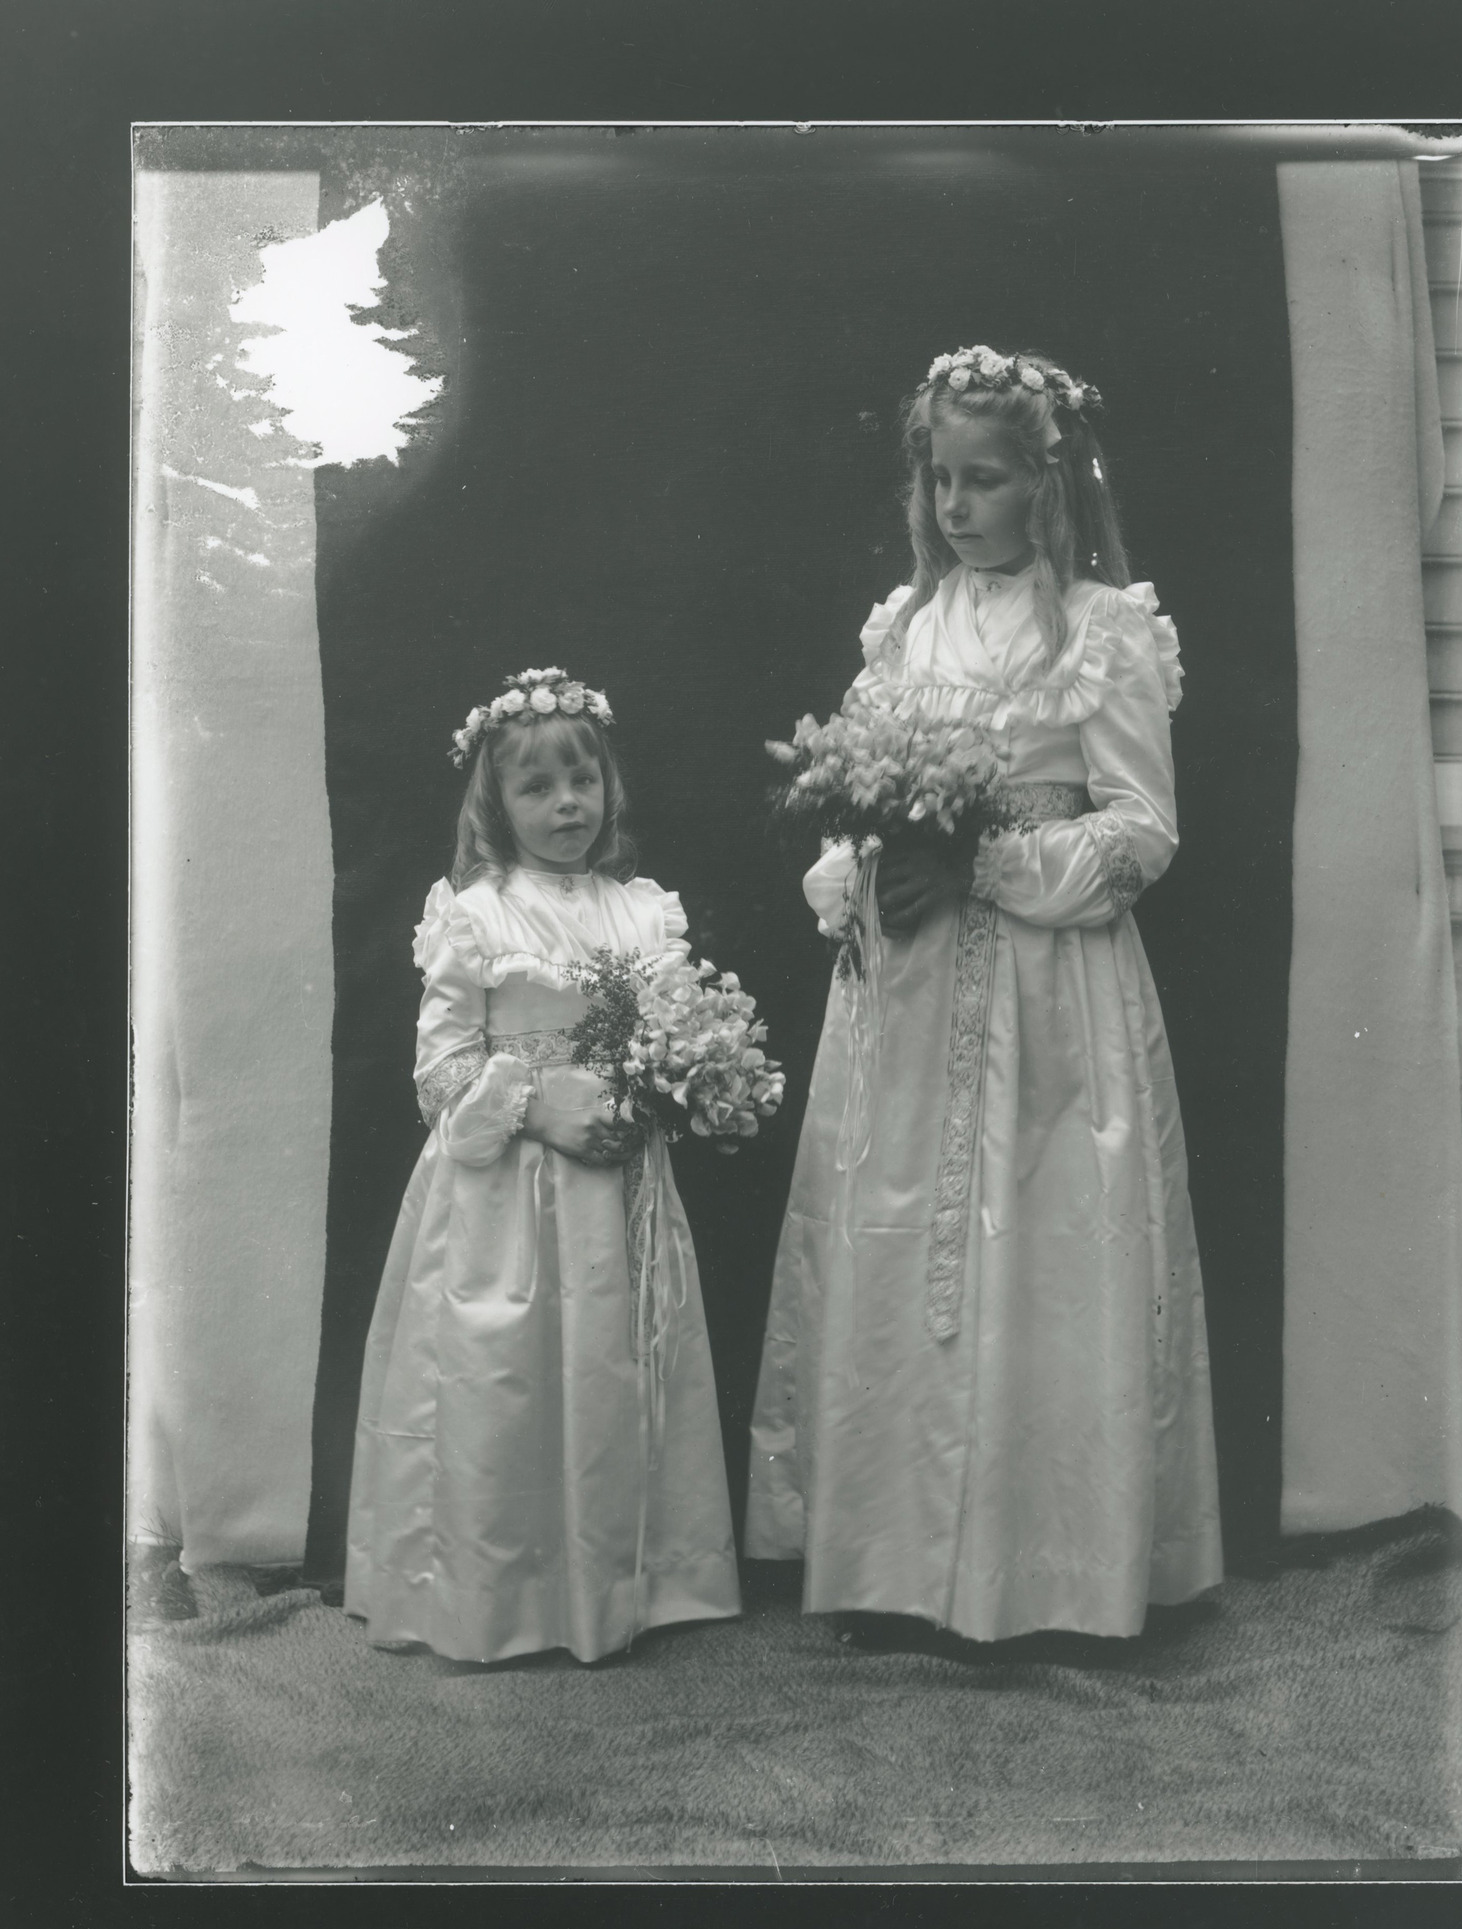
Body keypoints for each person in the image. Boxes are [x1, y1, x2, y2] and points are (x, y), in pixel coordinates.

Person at [745, 345, 1223, 1646]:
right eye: (939, 479)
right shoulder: (901, 629)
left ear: (1046, 488)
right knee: (897, 1240)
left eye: (988, 480)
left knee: (1042, 1251)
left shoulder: (1104, 632)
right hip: (905, 991)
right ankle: (891, 1565)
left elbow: (1139, 831)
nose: (958, 507)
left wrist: (988, 863)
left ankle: (1050, 1572)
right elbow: (854, 789)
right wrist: (863, 871)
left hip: (1045, 988)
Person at [344, 670, 740, 1664]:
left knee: (612, 1367)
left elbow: (674, 1030)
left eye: (582, 780)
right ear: (495, 804)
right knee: (507, 1376)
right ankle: (502, 1589)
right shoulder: (476, 914)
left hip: (620, 1182)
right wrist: (534, 1098)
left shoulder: (641, 911)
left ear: (608, 788)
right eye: (537, 787)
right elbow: (440, 1072)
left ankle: (627, 1583)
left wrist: (668, 1085)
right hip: (505, 1195)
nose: (567, 803)